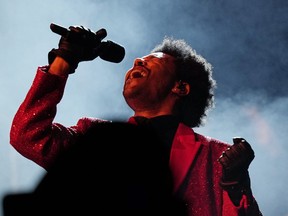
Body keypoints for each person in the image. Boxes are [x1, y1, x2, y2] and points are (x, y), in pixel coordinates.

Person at [8, 24, 262, 215]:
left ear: (181, 88)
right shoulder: (95, 136)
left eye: (153, 61)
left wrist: (235, 183)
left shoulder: (218, 157)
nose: (138, 60)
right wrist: (64, 61)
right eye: (140, 60)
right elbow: (27, 136)